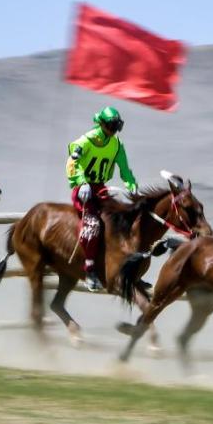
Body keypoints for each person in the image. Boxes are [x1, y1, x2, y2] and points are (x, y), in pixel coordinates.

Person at [66, 106, 138, 291]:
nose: (114, 130)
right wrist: (80, 182)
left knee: (123, 219)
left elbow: (124, 169)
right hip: (84, 188)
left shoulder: (117, 145)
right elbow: (72, 162)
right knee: (93, 224)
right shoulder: (85, 141)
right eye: (111, 126)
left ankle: (127, 269)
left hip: (101, 188)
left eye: (116, 126)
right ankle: (89, 268)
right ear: (102, 124)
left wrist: (131, 184)